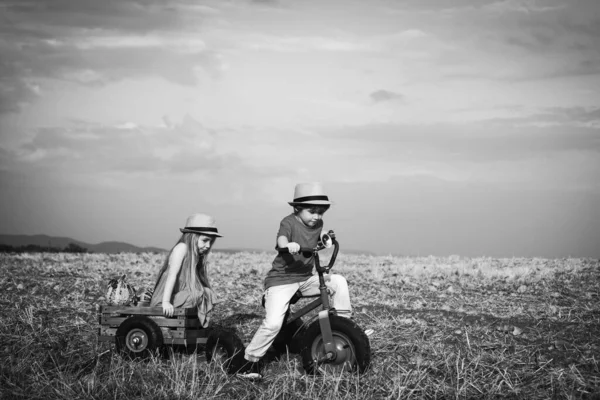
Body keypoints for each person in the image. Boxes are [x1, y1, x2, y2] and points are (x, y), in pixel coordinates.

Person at [238, 182, 352, 379]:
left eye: (321, 212)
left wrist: (325, 238)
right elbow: (281, 239)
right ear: (298, 208)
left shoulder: (318, 224)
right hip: (281, 281)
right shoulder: (288, 222)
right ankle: (249, 362)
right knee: (273, 323)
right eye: (312, 211)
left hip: (305, 279)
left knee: (338, 281)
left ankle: (344, 326)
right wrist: (288, 245)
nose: (317, 216)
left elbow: (318, 236)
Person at [150, 213, 222, 328]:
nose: (208, 245)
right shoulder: (182, 248)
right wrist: (166, 302)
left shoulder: (196, 255)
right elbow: (172, 276)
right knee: (198, 295)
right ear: (193, 236)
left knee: (207, 293)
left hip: (181, 295)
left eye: (211, 242)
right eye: (205, 240)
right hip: (168, 298)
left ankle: (191, 322)